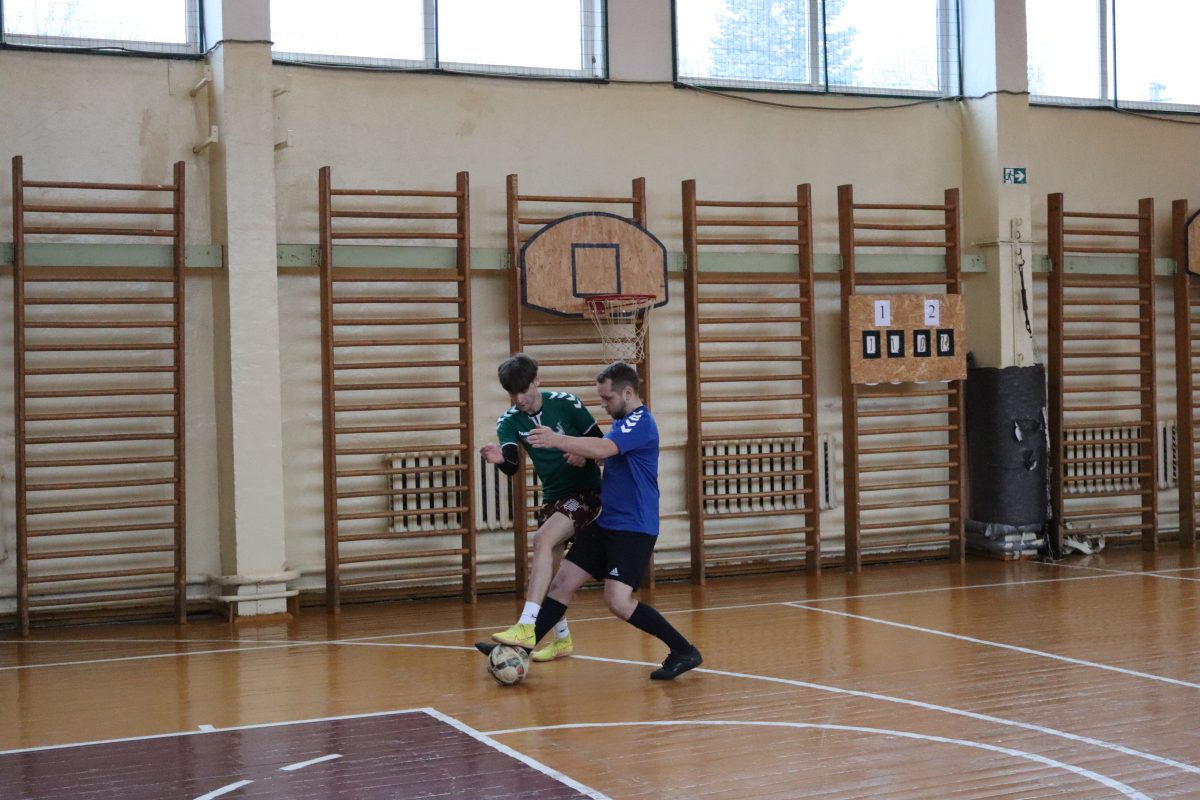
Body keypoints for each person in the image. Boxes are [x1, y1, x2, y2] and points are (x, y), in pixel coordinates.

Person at [523, 361, 702, 681]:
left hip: (634, 529)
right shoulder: (623, 422)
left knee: (617, 601)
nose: (604, 405)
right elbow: (612, 456)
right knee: (562, 583)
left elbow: (607, 447)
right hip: (607, 523)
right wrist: (587, 456)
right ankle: (519, 650)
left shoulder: (641, 422)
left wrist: (557, 439)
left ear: (628, 393)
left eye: (608, 398)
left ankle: (683, 650)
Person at [480, 352, 604, 662]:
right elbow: (512, 465)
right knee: (541, 575)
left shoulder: (567, 403)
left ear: (537, 381)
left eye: (523, 390)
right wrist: (500, 460)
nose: (519, 399)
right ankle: (561, 640)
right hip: (553, 499)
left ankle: (525, 628)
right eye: (513, 393)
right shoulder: (509, 420)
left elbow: (601, 445)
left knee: (542, 539)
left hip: (587, 492)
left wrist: (582, 454)